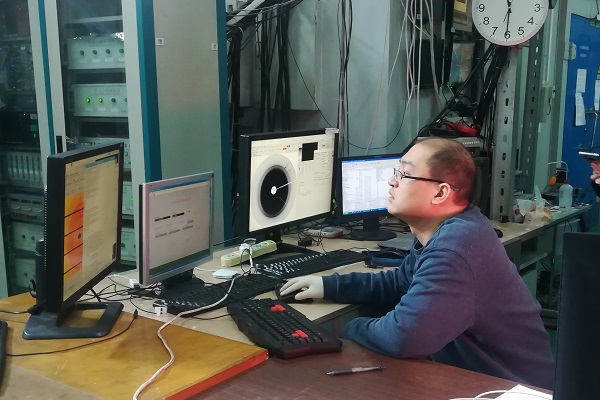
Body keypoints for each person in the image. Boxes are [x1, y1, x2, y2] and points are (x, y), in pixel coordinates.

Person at [280, 138, 555, 389]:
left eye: (404, 174)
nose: (392, 181)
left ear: (440, 193)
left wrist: (341, 329)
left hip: (514, 390)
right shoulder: (448, 229)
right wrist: (329, 285)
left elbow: (403, 336)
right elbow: (400, 282)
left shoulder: (455, 247)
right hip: (478, 378)